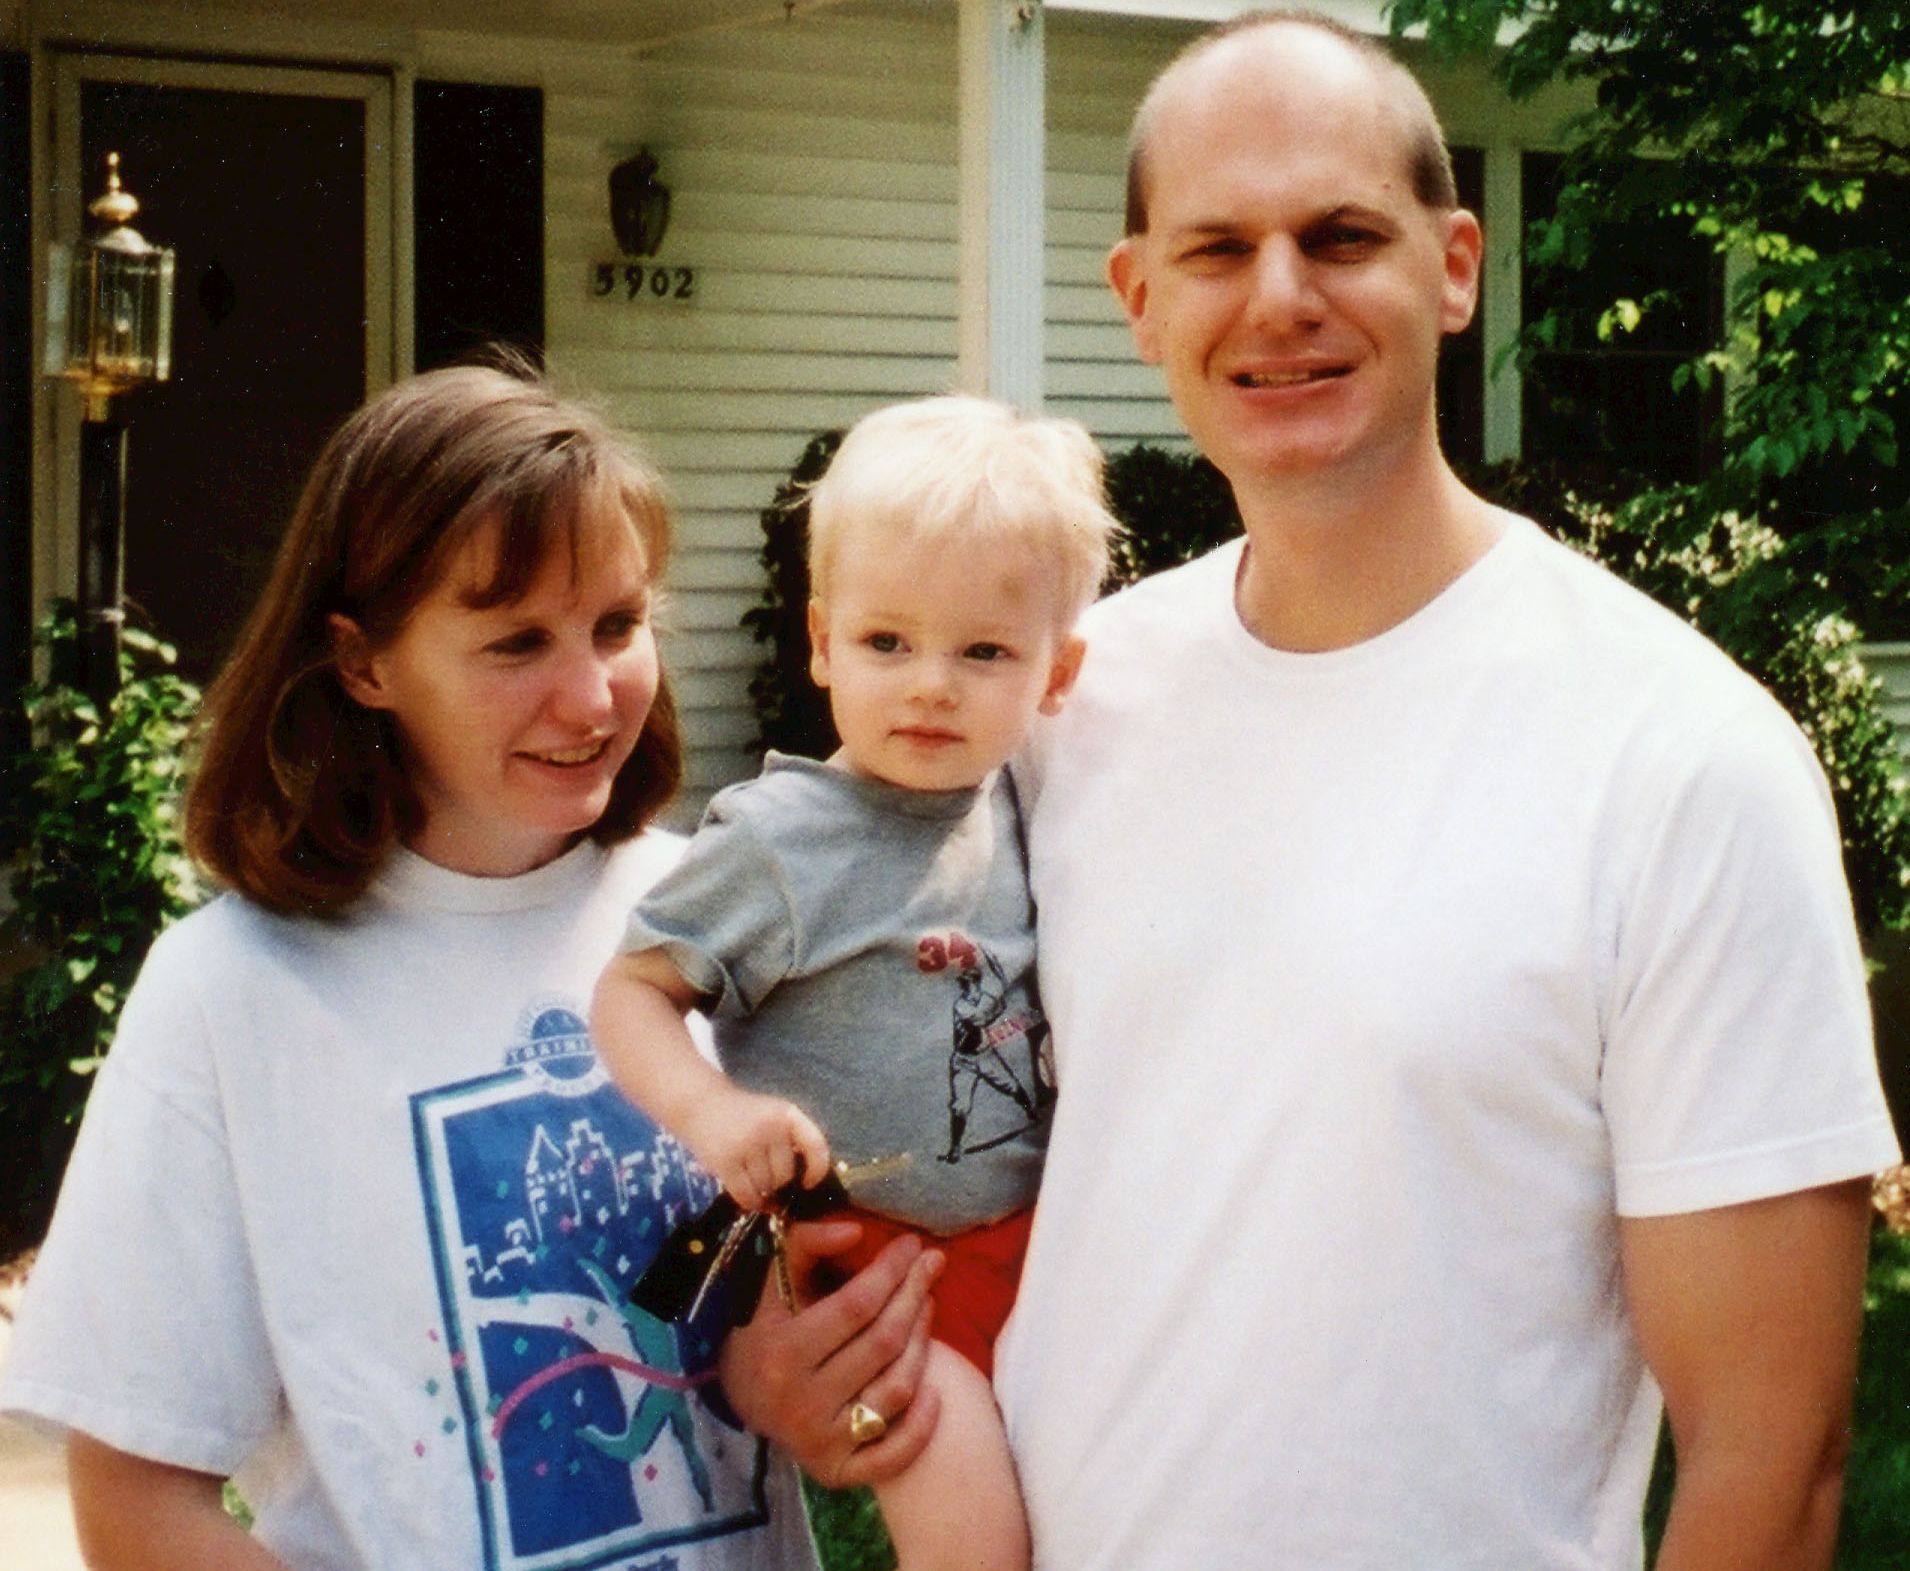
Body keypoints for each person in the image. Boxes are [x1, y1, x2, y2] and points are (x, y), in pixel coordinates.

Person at [717, 14, 1902, 1571]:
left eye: (1340, 234)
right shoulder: (1063, 707)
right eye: (1216, 249)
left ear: (1455, 263)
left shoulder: (1677, 755)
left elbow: (1772, 1457)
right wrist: (826, 1377)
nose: (1279, 297)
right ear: (1139, 299)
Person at [0, 362, 838, 1570]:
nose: (593, 694)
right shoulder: (228, 989)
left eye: (617, 623)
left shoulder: (721, 916)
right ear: (362, 662)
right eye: (515, 643)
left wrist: (837, 1401)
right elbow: (136, 1505)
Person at [593, 395, 1119, 1571]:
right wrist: (713, 1111)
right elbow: (629, 993)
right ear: (823, 642)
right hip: (875, 1272)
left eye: (982, 650)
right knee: (976, 1542)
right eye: (888, 643)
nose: (931, 684)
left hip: (1037, 1244)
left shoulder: (1025, 805)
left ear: (1055, 671)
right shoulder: (783, 837)